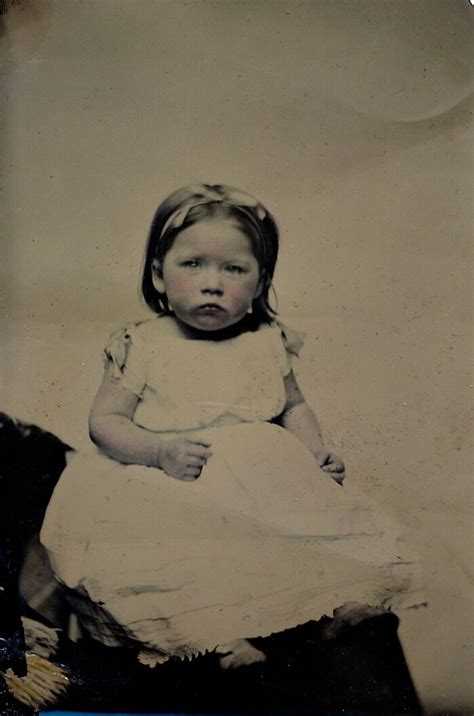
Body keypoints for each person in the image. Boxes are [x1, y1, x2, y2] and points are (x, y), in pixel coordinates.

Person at [40, 184, 423, 669]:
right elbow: (105, 421)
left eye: (234, 269)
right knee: (190, 564)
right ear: (159, 275)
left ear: (260, 284)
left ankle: (316, 618)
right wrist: (158, 452)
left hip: (255, 482)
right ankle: (220, 637)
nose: (212, 283)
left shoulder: (265, 342)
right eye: (193, 264)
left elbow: (295, 406)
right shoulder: (141, 343)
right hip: (167, 481)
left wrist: (314, 450)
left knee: (286, 549)